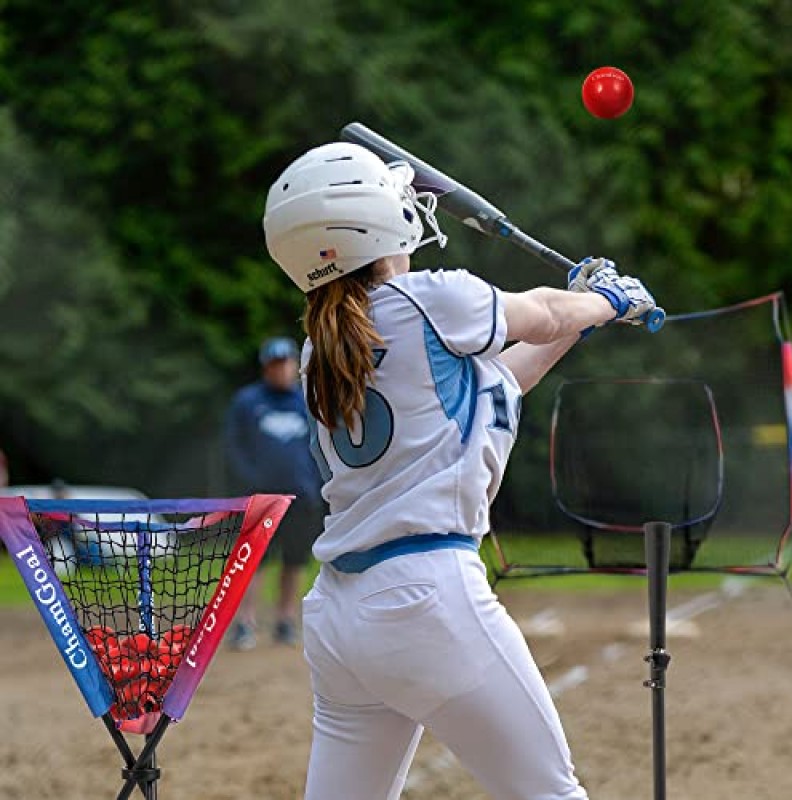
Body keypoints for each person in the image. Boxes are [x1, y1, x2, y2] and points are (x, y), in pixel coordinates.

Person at [262, 141, 659, 800]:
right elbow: (546, 313)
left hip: (341, 617)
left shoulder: (320, 350)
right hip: (426, 596)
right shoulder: (431, 300)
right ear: (371, 224)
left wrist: (581, 319)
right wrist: (607, 300)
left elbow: (494, 383)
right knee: (551, 794)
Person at [223, 335, 324, 648]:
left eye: (286, 363)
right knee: (253, 562)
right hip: (260, 497)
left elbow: (324, 445)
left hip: (302, 496)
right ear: (266, 367)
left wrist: (317, 483)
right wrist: (248, 479)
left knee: (294, 560)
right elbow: (232, 445)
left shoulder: (309, 401)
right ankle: (245, 623)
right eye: (275, 364)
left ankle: (285, 620)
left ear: (296, 365)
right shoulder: (248, 401)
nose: (281, 370)